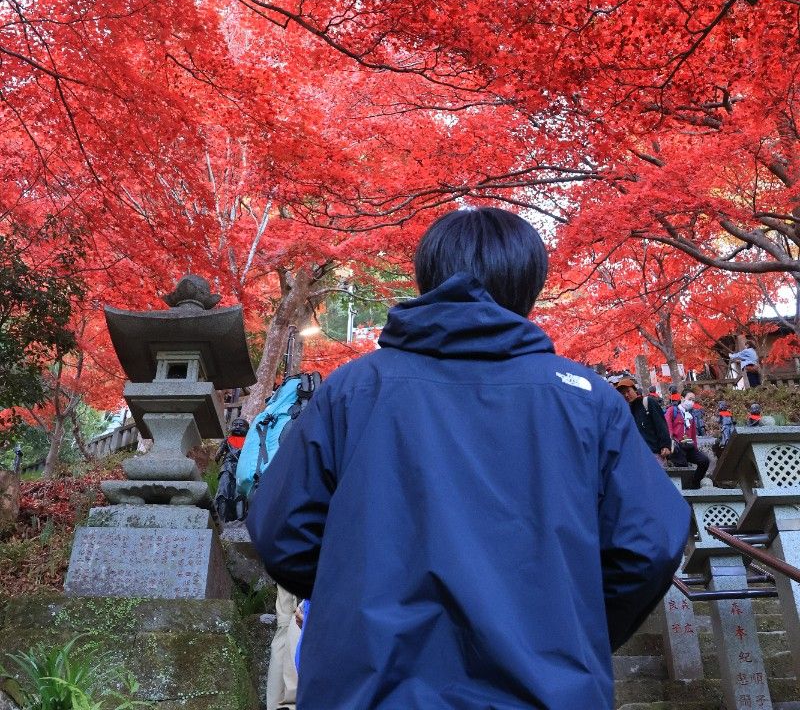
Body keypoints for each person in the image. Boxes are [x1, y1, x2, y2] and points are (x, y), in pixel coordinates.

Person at [247, 207, 689, 710]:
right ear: (531, 285)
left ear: (428, 277)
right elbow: (649, 543)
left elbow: (281, 527)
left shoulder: (354, 390)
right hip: (546, 689)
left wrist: (359, 595)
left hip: (370, 688)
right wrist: (571, 627)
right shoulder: (588, 399)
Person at [614, 378, 672, 461]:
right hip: (636, 456)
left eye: (628, 391)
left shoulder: (648, 402)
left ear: (635, 390)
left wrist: (665, 445)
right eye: (623, 393)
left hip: (654, 453)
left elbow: (661, 425)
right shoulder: (625, 411)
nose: (626, 395)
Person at [665, 388, 710, 488]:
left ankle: (695, 483)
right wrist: (670, 440)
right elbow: (668, 426)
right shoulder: (673, 410)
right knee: (683, 467)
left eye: (693, 400)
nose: (692, 402)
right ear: (682, 398)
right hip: (677, 446)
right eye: (690, 399)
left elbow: (693, 434)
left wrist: (695, 448)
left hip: (689, 446)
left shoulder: (691, 416)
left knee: (704, 461)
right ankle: (685, 490)